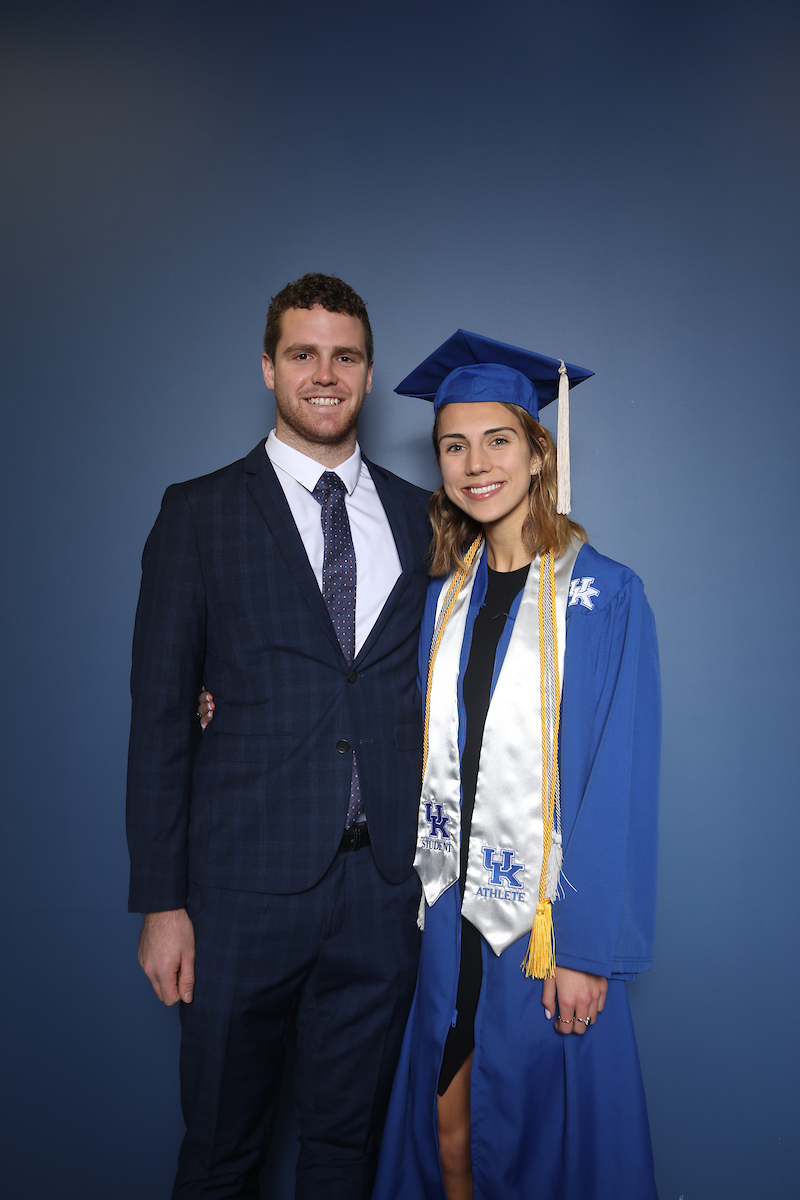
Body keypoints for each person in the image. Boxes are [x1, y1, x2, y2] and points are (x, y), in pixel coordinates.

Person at [126, 274, 431, 1199]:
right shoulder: (199, 512)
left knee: (345, 1153)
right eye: (303, 354)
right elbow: (159, 717)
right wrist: (161, 903)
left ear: (370, 374)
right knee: (222, 1153)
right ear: (269, 368)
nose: (324, 373)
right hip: (238, 897)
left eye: (345, 356)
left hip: (383, 891)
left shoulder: (426, 519)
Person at [371, 331, 661, 1200]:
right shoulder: (439, 598)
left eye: (498, 440)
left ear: (539, 452)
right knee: (447, 1132)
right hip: (444, 913)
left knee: (536, 1143)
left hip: (540, 929)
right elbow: (382, 722)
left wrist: (586, 951)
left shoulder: (605, 595)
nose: (474, 464)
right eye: (453, 446)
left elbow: (619, 778)